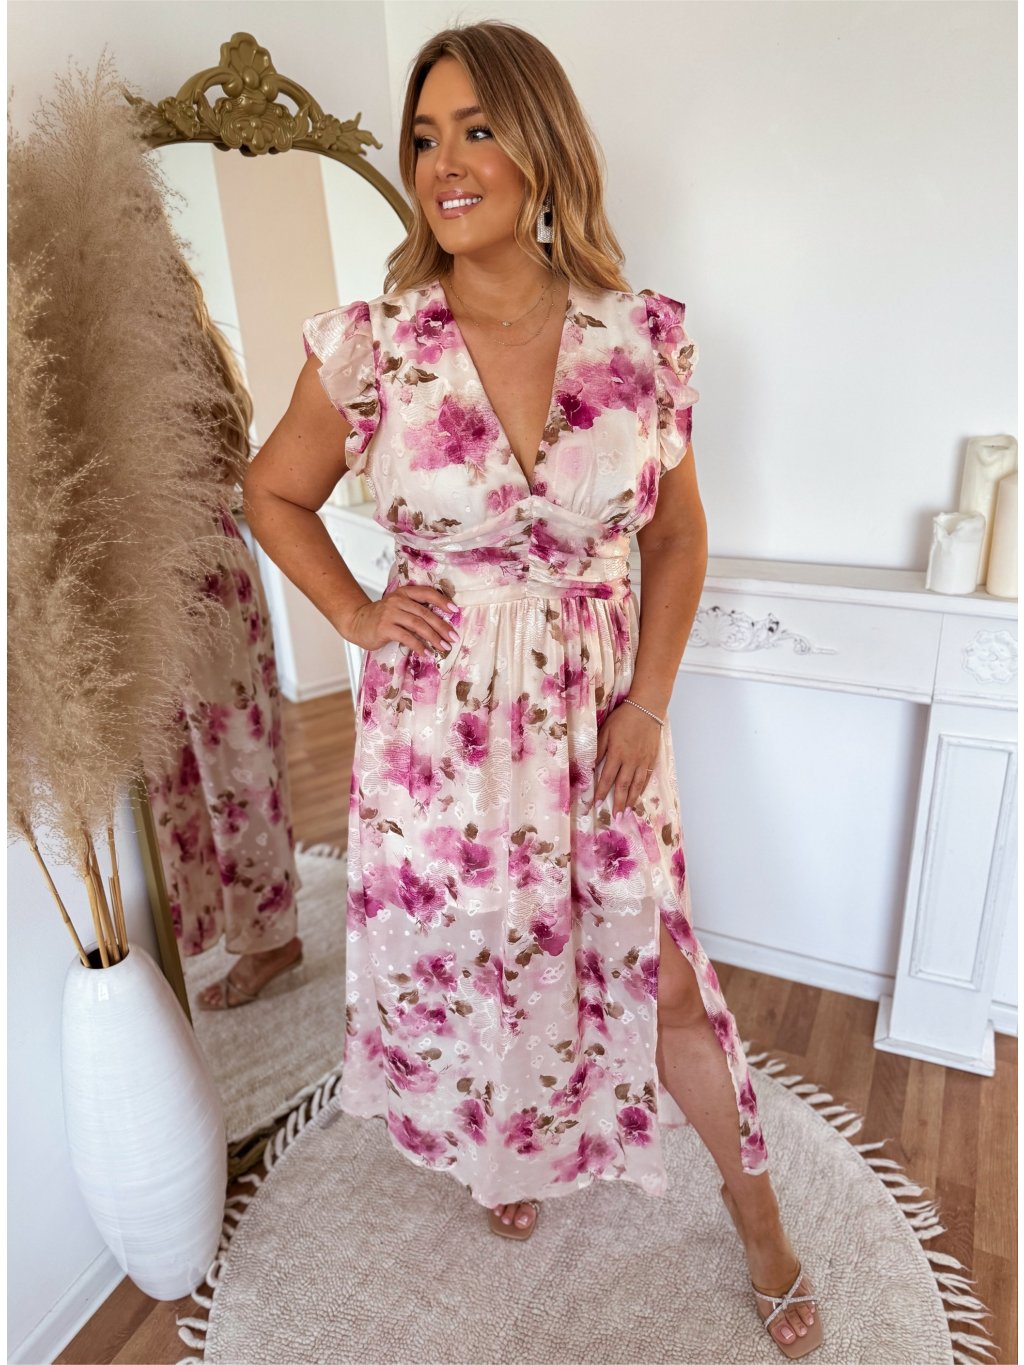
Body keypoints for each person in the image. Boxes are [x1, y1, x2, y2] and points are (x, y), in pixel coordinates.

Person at [244, 20, 822, 1358]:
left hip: (601, 724)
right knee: (475, 968)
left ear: (543, 146)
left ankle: (760, 1223)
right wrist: (355, 613)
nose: (444, 164)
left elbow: (676, 536)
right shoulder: (375, 346)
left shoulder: (641, 338)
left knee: (661, 982)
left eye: (478, 130)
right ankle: (506, 1149)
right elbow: (271, 493)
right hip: (437, 737)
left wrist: (650, 702)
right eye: (425, 138)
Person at [146, 264, 304, 1010]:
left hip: (199, 574)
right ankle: (208, 925)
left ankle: (271, 938)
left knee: (235, 765)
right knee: (172, 771)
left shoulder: (176, 355)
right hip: (167, 575)